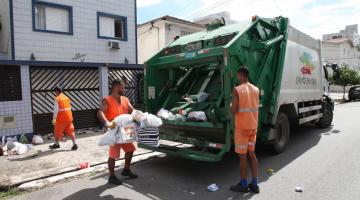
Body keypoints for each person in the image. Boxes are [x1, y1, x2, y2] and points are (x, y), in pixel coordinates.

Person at [97, 79, 138, 185]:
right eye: (123, 87)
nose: (124, 89)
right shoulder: (107, 100)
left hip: (126, 127)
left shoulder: (125, 99)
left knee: (131, 149)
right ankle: (111, 176)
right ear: (116, 87)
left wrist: (141, 118)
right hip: (115, 129)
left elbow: (132, 110)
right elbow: (100, 112)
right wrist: (106, 123)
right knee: (113, 154)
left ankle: (126, 170)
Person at [230, 66, 260, 193]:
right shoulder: (256, 89)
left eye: (238, 76)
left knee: (242, 157)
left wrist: (230, 105)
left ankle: (243, 184)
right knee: (252, 154)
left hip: (242, 128)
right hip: (253, 127)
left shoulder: (237, 90)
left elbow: (234, 109)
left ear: (240, 75)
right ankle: (255, 184)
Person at [49, 86, 78, 150]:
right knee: (71, 131)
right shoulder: (66, 97)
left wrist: (54, 119)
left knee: (57, 131)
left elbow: (56, 110)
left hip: (61, 119)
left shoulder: (57, 98)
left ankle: (57, 144)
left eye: (55, 92)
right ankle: (74, 144)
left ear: (56, 91)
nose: (55, 93)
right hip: (69, 118)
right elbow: (69, 108)